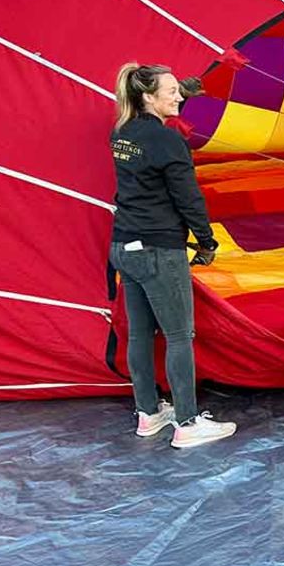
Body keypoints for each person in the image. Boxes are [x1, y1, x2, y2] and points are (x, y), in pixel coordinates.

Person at [108, 63, 236, 449]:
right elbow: (188, 198)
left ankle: (148, 414)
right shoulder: (167, 141)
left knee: (142, 333)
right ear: (148, 96)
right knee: (180, 336)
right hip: (158, 248)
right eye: (170, 91)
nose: (178, 95)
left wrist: (184, 90)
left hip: (123, 246)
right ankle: (187, 422)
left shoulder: (123, 133)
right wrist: (207, 241)